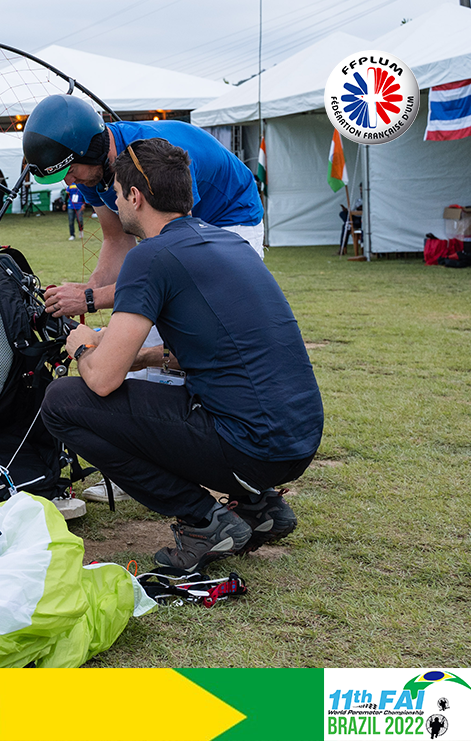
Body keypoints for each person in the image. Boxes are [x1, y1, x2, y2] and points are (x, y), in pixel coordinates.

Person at [40, 137, 322, 573]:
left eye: (116, 195)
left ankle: (203, 519)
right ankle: (258, 504)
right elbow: (222, 348)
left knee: (62, 402)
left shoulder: (151, 257)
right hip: (297, 439)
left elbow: (100, 380)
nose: (115, 204)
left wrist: (79, 343)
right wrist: (148, 358)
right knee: (168, 394)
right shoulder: (230, 244)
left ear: (135, 196)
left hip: (252, 445)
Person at [23, 94, 265, 319]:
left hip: (231, 215)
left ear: (93, 151)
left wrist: (90, 299)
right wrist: (91, 287)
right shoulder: (90, 173)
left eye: (71, 171)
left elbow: (180, 254)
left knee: (204, 316)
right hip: (181, 233)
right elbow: (117, 239)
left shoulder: (154, 160)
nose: (69, 182)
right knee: (150, 324)